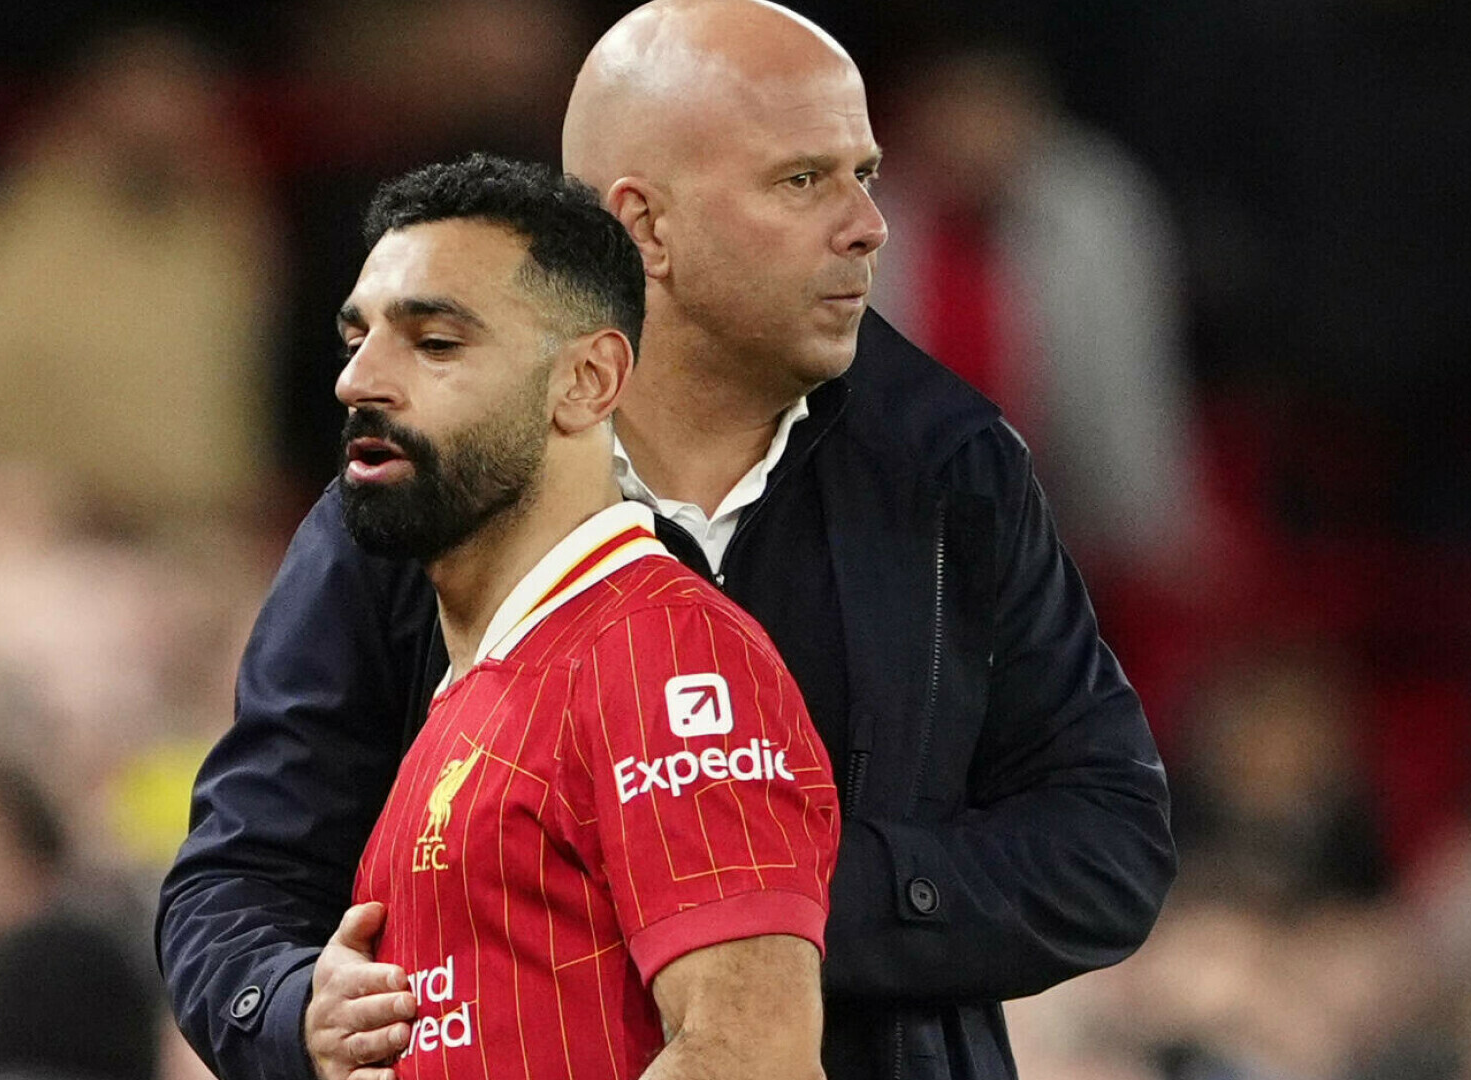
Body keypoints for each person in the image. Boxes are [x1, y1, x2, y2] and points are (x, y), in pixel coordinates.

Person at [158, 3, 1176, 1079]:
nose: (870, 225)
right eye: (803, 181)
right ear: (642, 226)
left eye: (865, 175)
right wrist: (293, 1004)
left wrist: (771, 892)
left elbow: (1107, 844)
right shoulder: (428, 483)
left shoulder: (949, 466)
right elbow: (238, 879)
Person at [327, 153, 838, 1078]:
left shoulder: (667, 655)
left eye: (434, 343)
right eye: (356, 338)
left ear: (589, 380)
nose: (359, 381)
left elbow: (752, 1057)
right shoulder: (479, 689)